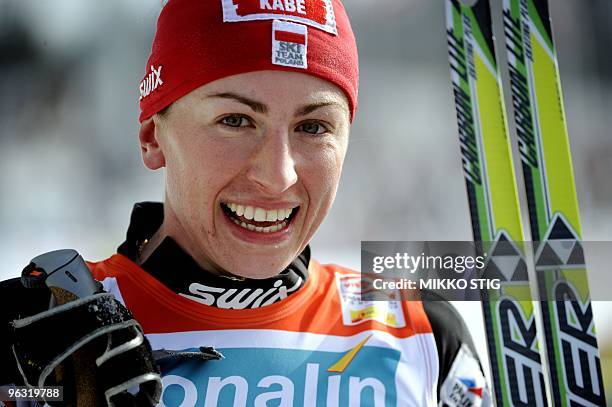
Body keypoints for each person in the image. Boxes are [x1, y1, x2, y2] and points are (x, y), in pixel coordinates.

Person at [0, 0, 491, 405]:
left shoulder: (421, 334)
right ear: (152, 138)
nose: (278, 175)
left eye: (313, 127)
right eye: (235, 121)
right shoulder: (45, 336)